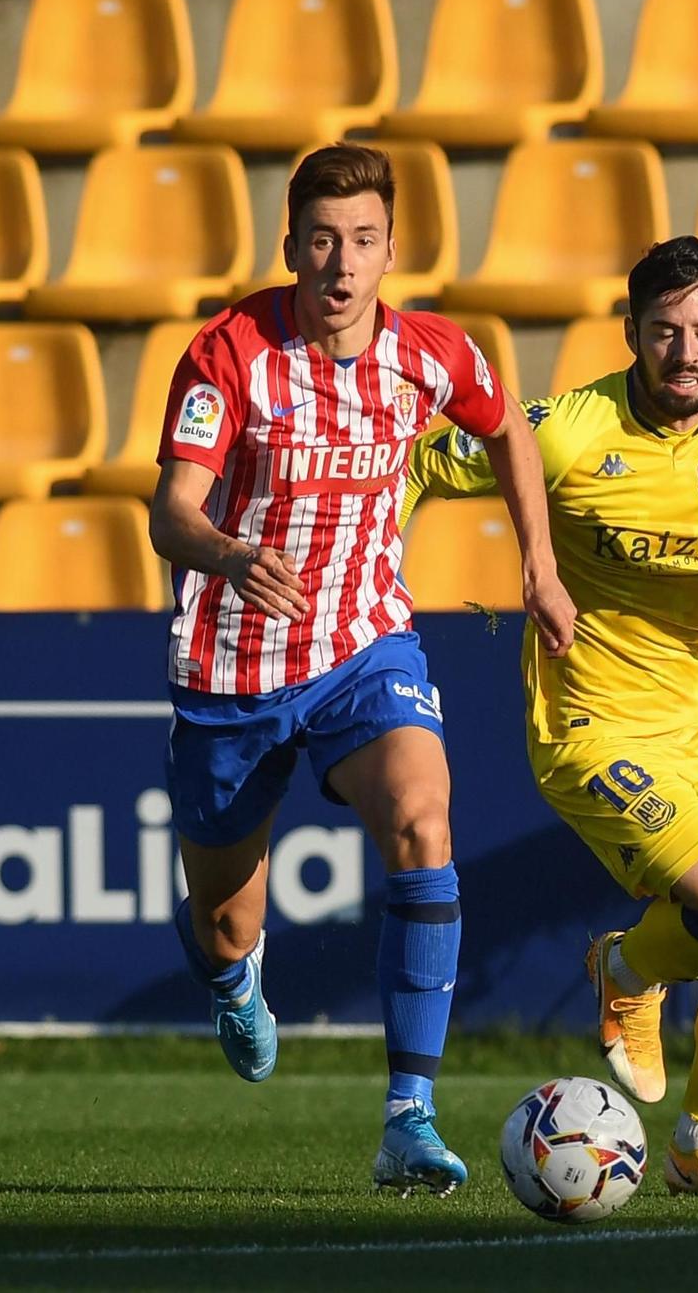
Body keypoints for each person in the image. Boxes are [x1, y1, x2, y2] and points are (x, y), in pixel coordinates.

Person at [147, 143, 576, 1196]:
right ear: (291, 244)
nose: (342, 264)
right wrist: (230, 554)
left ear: (392, 249)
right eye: (323, 241)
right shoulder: (229, 353)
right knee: (224, 922)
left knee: (424, 818)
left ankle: (408, 1117)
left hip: (361, 647)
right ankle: (233, 977)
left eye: (365, 241)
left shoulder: (430, 352)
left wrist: (536, 561)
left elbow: (511, 430)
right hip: (233, 665)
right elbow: (170, 508)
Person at [401, 236, 698, 1199]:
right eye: (667, 331)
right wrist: (370, 571)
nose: (688, 352)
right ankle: (630, 968)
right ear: (631, 333)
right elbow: (420, 463)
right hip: (594, 723)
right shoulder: (566, 428)